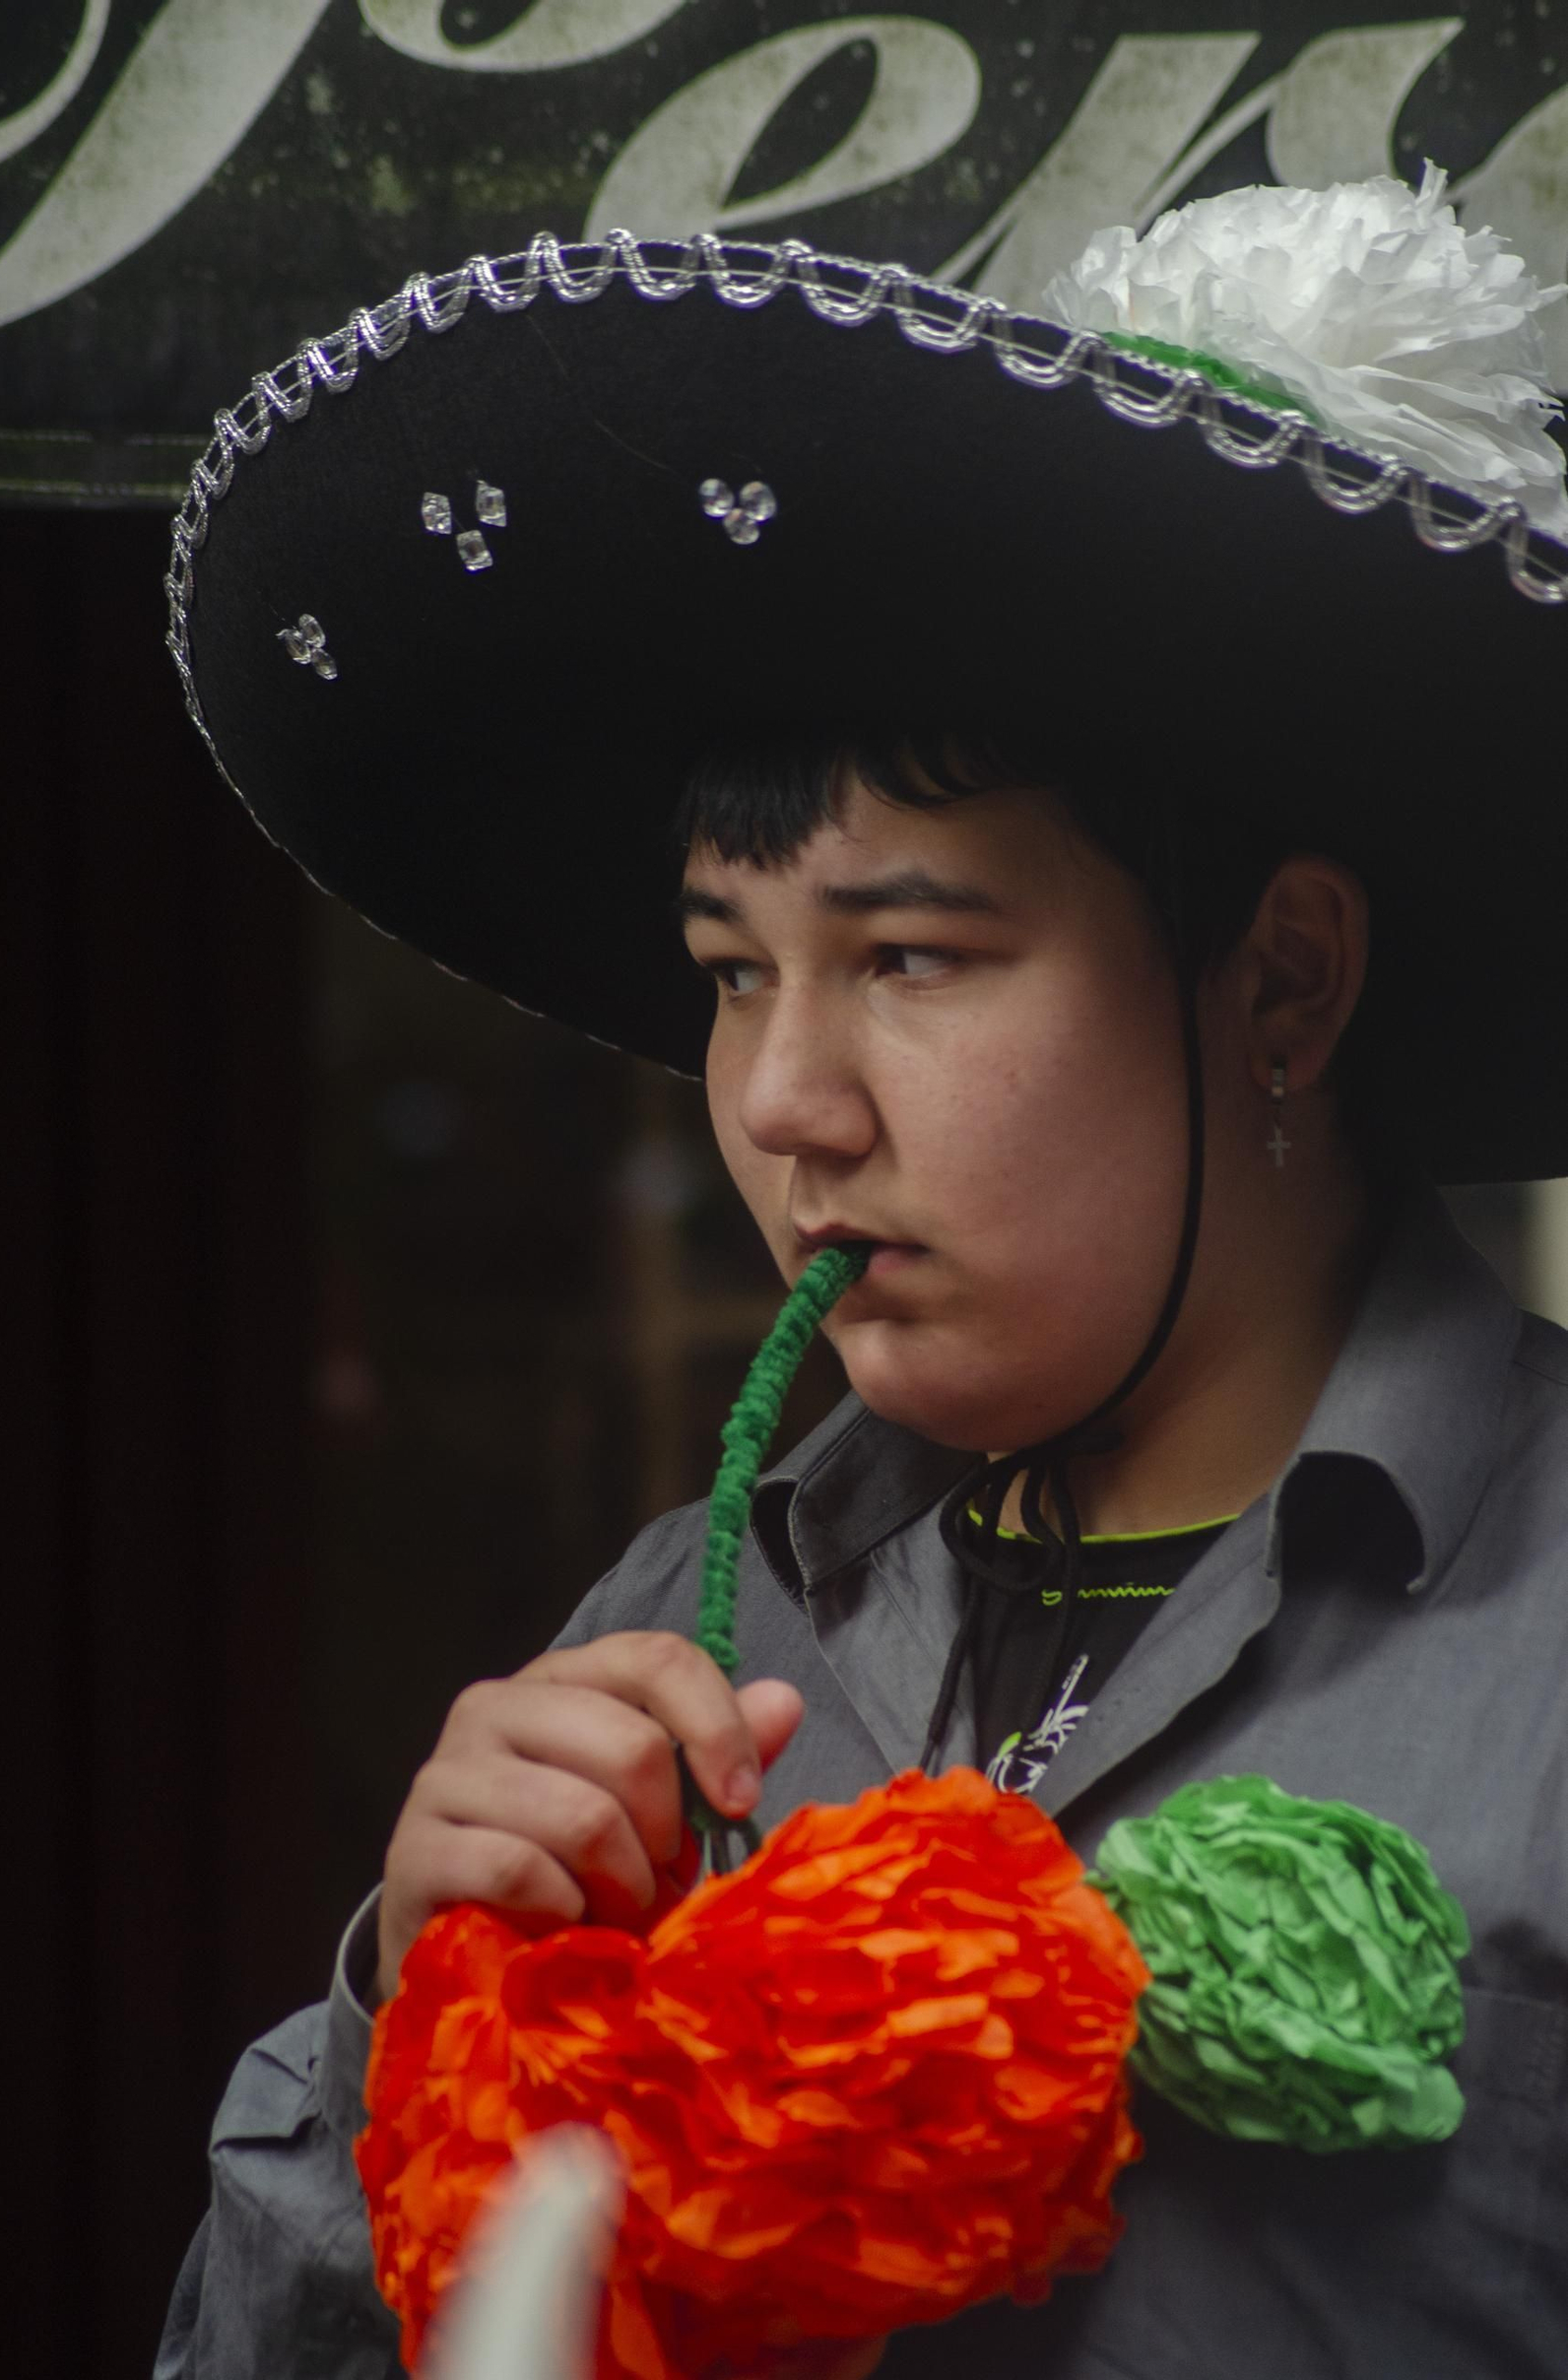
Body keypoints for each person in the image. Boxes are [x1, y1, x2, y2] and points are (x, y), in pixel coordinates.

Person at [157, 172, 1568, 2379]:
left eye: (909, 956)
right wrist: (421, 2019)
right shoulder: (677, 1631)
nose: (783, 1100)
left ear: (1279, 981)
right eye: (731, 973)